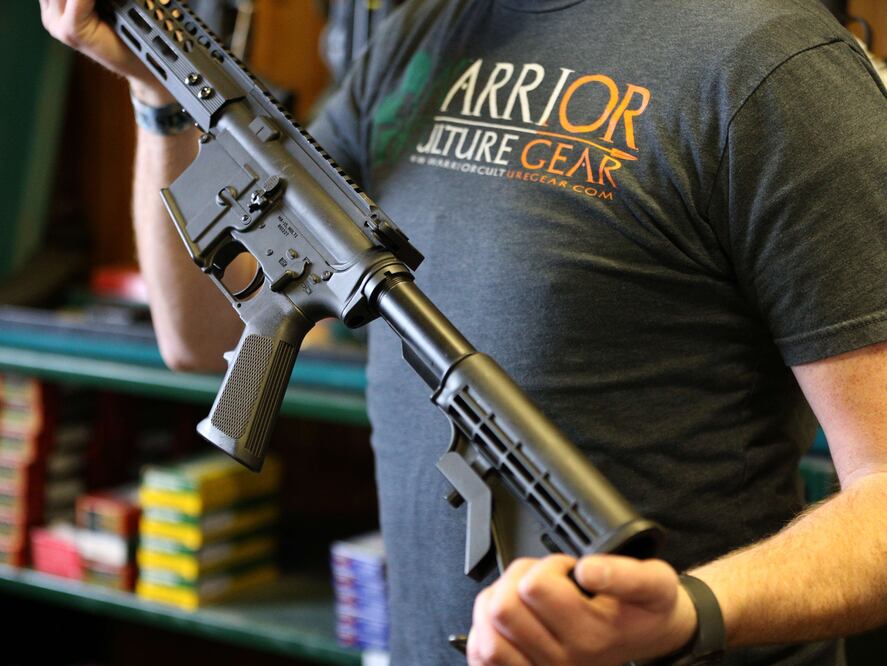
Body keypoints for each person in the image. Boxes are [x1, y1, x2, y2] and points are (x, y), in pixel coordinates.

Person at [41, 0, 887, 664]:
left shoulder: (772, 66)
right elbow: (194, 335)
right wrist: (158, 92)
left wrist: (689, 612)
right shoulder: (425, 30)